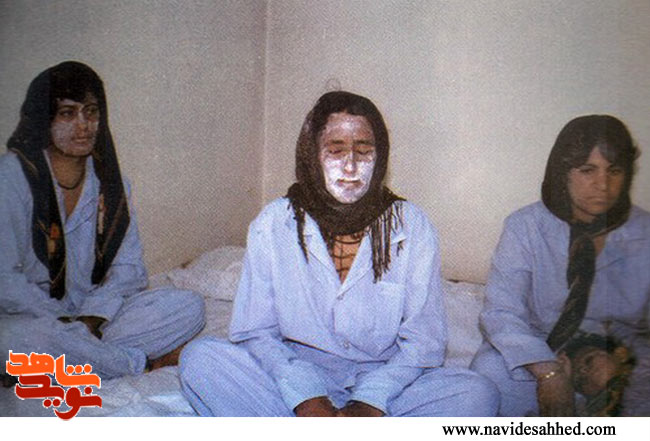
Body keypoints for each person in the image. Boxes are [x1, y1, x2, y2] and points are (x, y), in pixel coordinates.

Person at [179, 91, 498, 417]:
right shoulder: (275, 223)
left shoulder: (411, 225)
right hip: (296, 372)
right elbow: (256, 331)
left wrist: (371, 400)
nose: (351, 166)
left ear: (380, 158)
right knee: (202, 360)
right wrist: (306, 396)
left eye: (364, 151)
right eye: (336, 151)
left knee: (476, 393)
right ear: (312, 155)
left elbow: (424, 342)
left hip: (383, 379)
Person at [0, 61, 205, 381]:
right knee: (13, 339)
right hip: (32, 319)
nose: (83, 126)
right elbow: (6, 280)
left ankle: (70, 362)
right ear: (44, 118)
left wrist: (92, 318)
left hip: (91, 320)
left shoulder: (112, 185)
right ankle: (137, 364)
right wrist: (63, 325)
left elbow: (129, 271)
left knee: (187, 306)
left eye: (91, 112)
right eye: (68, 113)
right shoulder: (11, 177)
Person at [471, 115, 650, 416]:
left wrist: (616, 362)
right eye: (587, 170)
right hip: (539, 349)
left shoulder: (644, 232)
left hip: (618, 353)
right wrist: (549, 373)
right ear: (563, 172)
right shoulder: (526, 226)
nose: (603, 184)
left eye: (615, 171)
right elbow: (501, 312)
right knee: (488, 374)